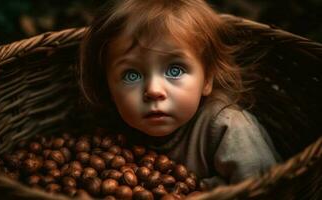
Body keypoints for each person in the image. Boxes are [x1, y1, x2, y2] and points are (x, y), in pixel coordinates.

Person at [78, 0, 281, 189]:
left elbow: (265, 188)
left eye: (174, 70)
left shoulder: (229, 127)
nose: (154, 91)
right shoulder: (112, 128)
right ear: (109, 89)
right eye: (131, 75)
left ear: (207, 79)